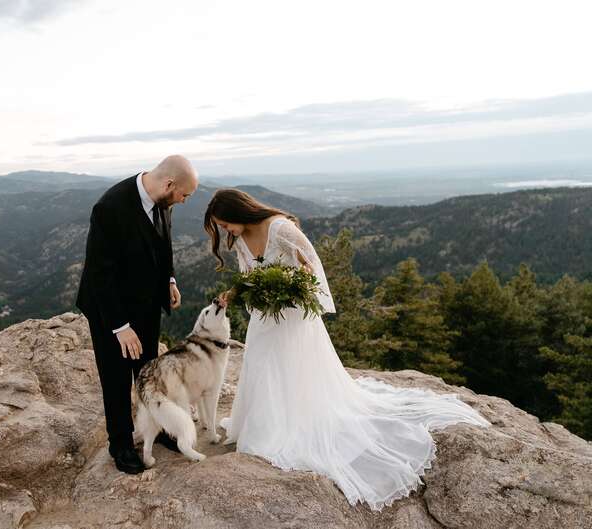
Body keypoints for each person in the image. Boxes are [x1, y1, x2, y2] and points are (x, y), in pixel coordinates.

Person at [204, 188, 490, 511]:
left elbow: (311, 265)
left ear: (238, 212)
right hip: (265, 318)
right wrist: (238, 291)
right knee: (261, 366)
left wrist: (292, 290)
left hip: (293, 315)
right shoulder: (241, 239)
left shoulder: (280, 228)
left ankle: (288, 424)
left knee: (287, 368)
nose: (226, 231)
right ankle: (262, 422)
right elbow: (250, 276)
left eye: (225, 224)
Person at [77, 155, 199, 474]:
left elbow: (163, 245)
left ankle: (156, 430)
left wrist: (169, 279)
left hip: (145, 305)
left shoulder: (162, 200)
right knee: (117, 376)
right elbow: (99, 274)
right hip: (110, 309)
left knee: (149, 374)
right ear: (169, 184)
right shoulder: (110, 208)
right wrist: (120, 327)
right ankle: (120, 443)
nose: (184, 201)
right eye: (184, 195)